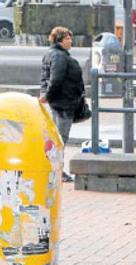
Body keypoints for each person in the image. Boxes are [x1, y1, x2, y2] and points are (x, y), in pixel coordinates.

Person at [39, 26, 86, 183]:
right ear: (59, 40)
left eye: (70, 38)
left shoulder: (53, 54)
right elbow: (56, 79)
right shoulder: (59, 56)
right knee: (60, 139)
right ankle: (56, 171)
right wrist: (47, 95)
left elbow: (46, 78)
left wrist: (46, 95)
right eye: (67, 38)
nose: (70, 41)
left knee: (57, 137)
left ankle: (54, 169)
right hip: (63, 103)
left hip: (60, 102)